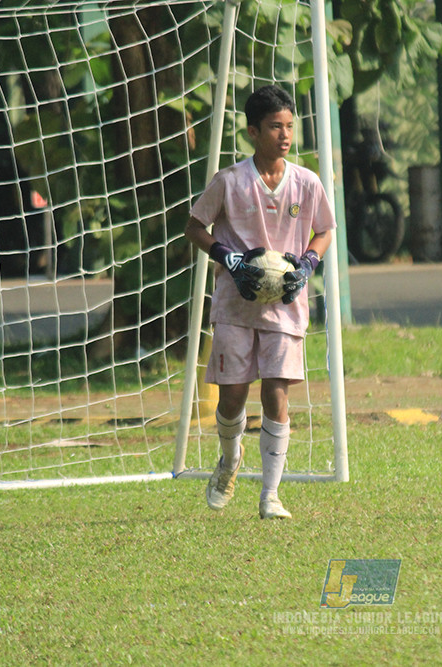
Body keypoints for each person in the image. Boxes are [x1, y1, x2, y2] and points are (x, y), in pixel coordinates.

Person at [185, 85, 335, 520]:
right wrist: (227, 257)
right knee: (232, 399)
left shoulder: (307, 182)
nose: (284, 134)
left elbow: (324, 230)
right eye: (275, 127)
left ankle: (270, 495)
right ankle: (230, 461)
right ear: (253, 131)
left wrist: (307, 262)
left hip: (286, 307)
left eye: (289, 126)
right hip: (235, 306)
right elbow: (195, 226)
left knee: (276, 393)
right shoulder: (230, 182)